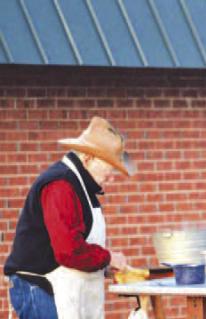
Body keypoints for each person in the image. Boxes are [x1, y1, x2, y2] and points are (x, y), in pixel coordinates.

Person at [4, 116, 136, 319]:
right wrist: (108, 257)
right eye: (109, 169)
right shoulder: (61, 185)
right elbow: (68, 251)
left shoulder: (82, 185)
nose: (111, 177)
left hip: (58, 288)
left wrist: (103, 266)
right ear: (88, 158)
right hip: (40, 288)